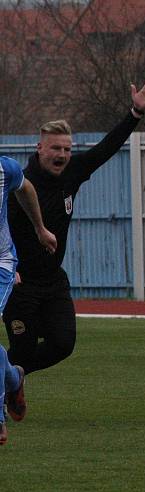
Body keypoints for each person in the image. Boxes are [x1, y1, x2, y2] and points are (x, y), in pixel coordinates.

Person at [3, 76, 145, 375]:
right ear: (39, 148)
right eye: (55, 148)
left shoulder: (72, 173)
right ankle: (11, 379)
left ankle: (14, 377)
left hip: (53, 281)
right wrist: (10, 266)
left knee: (62, 345)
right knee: (22, 350)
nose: (62, 155)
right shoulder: (19, 186)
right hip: (19, 284)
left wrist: (135, 113)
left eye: (66, 149)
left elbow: (107, 148)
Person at [0, 156, 58, 445]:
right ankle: (13, 378)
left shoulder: (5, 167)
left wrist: (39, 228)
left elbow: (26, 188)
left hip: (1, 263)